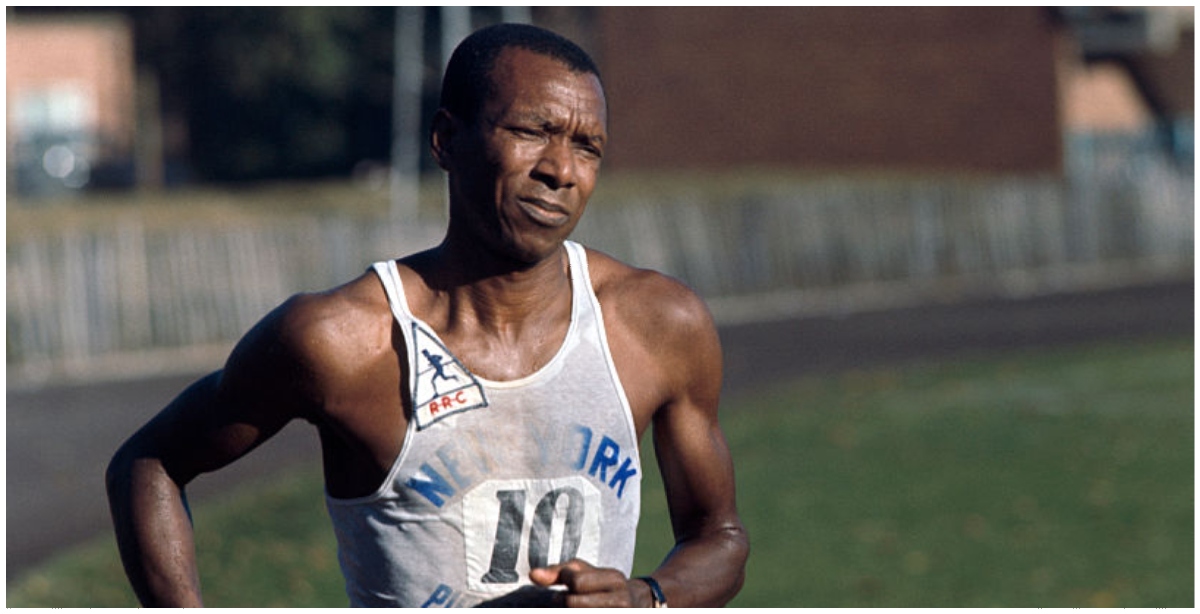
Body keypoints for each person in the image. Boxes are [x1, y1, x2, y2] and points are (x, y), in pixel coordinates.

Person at [107, 23, 748, 608]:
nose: (560, 171)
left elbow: (719, 537)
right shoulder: (345, 341)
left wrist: (645, 598)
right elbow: (151, 463)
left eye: (588, 147)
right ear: (446, 141)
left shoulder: (658, 324)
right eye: (531, 131)